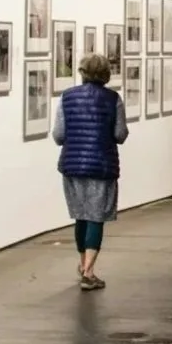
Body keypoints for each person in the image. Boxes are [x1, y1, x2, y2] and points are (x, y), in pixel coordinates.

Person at [54, 51, 129, 291]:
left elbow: (58, 135)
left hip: (72, 165)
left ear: (82, 72)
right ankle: (88, 271)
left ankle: (83, 264)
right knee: (96, 217)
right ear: (106, 74)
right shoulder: (113, 99)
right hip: (102, 165)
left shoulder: (67, 97)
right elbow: (120, 134)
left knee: (81, 215)